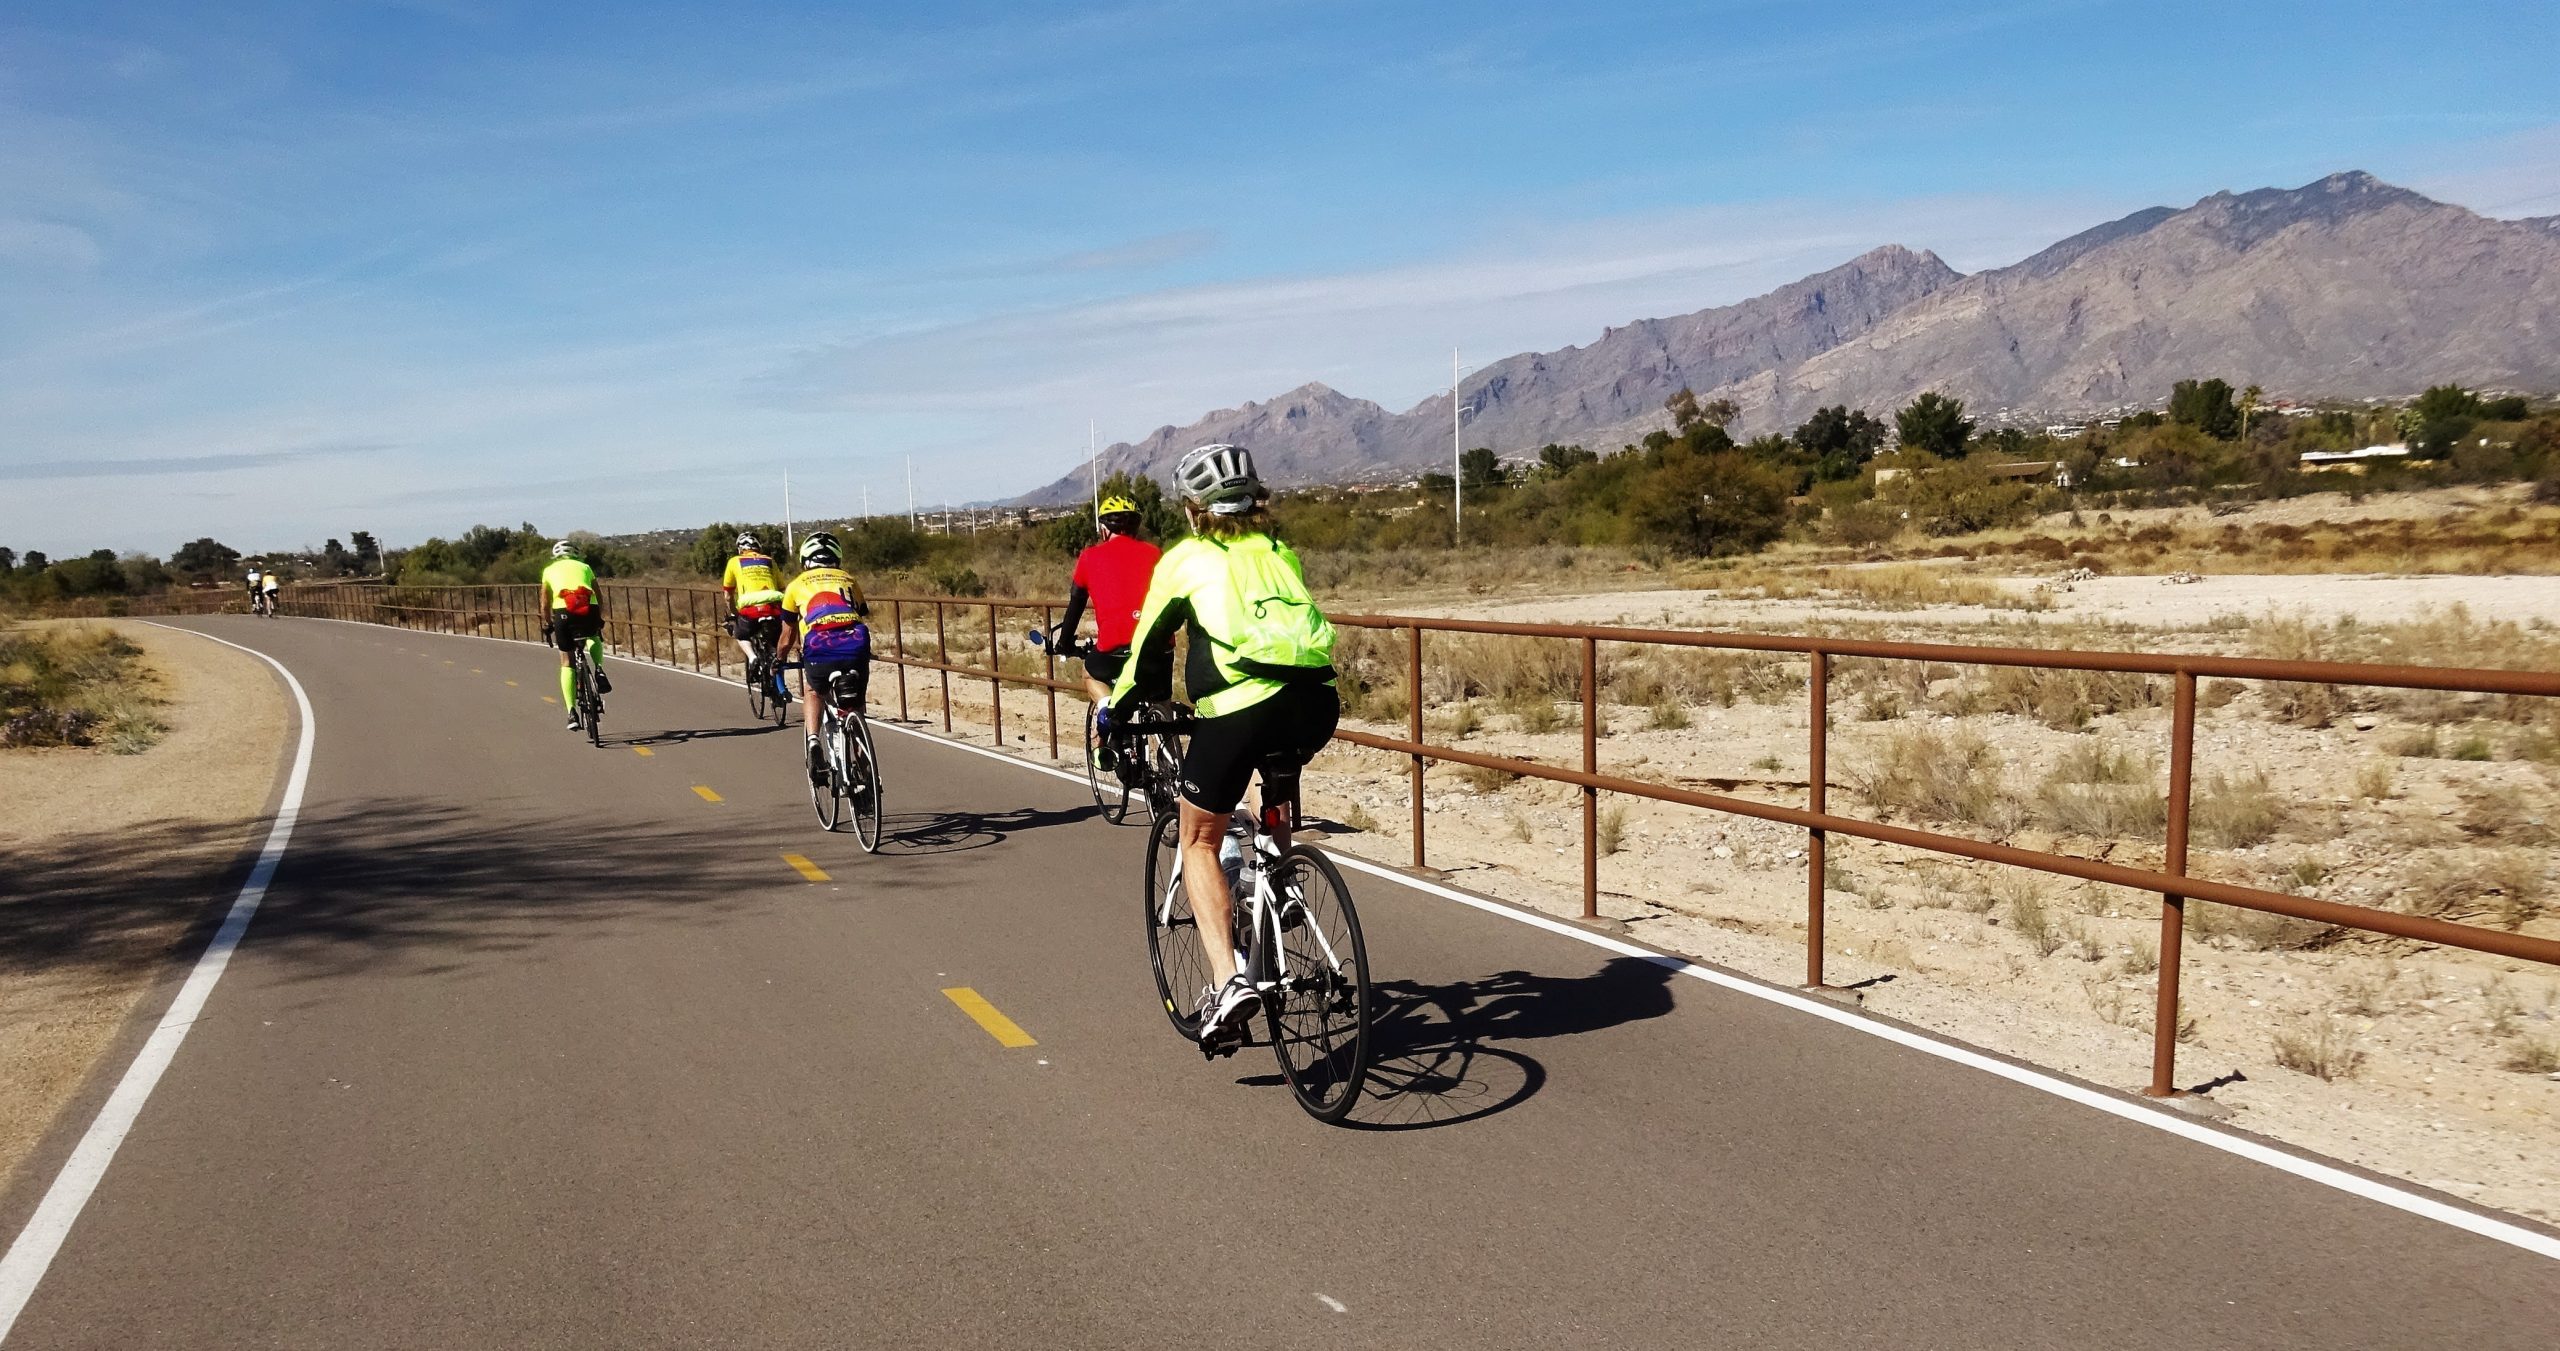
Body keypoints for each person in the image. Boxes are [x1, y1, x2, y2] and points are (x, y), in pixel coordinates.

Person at [1109, 444, 1338, 1050]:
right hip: (1316, 701)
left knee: (1199, 838)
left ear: (1192, 509)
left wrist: (1119, 708)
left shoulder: (1185, 558)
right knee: (1277, 773)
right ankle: (1279, 877)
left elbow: (1148, 644)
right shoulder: (1279, 550)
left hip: (1239, 708)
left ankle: (1228, 980)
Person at [1050, 495, 1161, 767]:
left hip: (1116, 647)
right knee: (1159, 700)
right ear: (1135, 527)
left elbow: (1075, 604)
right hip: (1158, 646)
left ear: (1104, 529)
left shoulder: (1090, 556)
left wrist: (1064, 642)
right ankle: (1170, 760)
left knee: (1090, 672)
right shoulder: (1154, 552)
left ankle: (1106, 711)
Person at [778, 532, 872, 785]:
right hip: (855, 646)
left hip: (819, 649)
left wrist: (779, 659)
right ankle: (864, 763)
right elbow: (862, 612)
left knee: (813, 690)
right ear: (837, 559)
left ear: (804, 560)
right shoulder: (849, 579)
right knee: (856, 703)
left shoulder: (796, 585)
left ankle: (813, 741)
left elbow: (787, 635)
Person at [540, 540, 611, 729]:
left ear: (556, 556)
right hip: (589, 609)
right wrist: (599, 617)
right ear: (576, 554)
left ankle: (571, 713)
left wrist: (547, 623)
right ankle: (599, 669)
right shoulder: (585, 567)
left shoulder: (549, 570)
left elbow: (545, 603)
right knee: (594, 636)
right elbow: (599, 594)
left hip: (563, 613)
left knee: (566, 661)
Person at [720, 531, 789, 701]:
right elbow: (782, 588)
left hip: (749, 609)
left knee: (740, 632)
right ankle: (780, 685)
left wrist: (733, 613)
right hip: (774, 608)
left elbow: (728, 594)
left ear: (740, 549)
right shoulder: (769, 561)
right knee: (777, 648)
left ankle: (752, 658)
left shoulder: (734, 562)